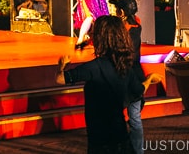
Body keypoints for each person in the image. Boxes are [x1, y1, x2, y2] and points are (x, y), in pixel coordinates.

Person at [55, 15, 159, 154]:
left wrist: (61, 66)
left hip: (98, 139)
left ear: (100, 38)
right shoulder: (125, 68)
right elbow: (139, 90)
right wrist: (149, 79)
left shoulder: (93, 67)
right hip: (120, 136)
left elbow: (60, 79)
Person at [110, 0, 146, 154]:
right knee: (135, 118)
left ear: (122, 12)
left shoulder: (124, 30)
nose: (114, 10)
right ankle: (137, 150)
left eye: (117, 8)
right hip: (136, 75)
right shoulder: (136, 23)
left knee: (118, 116)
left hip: (125, 75)